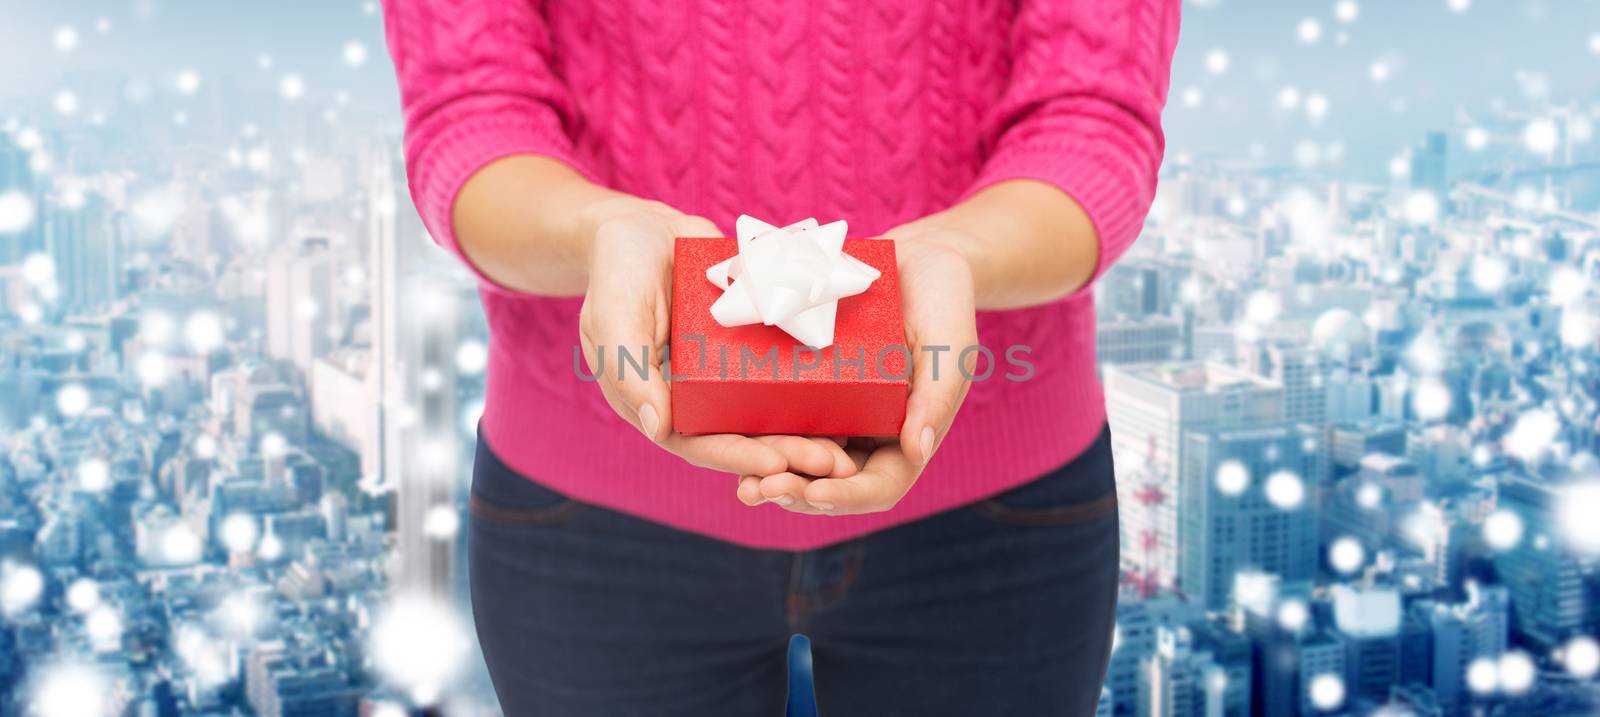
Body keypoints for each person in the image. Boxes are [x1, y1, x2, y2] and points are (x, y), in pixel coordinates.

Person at [382, 1, 1177, 714]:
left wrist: (959, 254)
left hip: (998, 507)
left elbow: (1094, 117)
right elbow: (471, 111)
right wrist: (598, 231)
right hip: (588, 509)